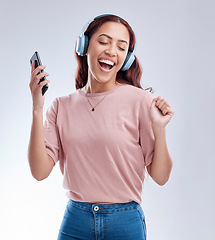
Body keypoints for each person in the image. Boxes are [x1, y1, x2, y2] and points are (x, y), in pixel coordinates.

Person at [28, 14, 174, 240]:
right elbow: (39, 172)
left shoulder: (141, 101)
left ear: (126, 58)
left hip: (125, 222)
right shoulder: (61, 106)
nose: (111, 51)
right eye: (104, 41)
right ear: (84, 46)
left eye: (121, 47)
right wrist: (38, 108)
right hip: (75, 220)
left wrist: (160, 129)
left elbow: (161, 176)